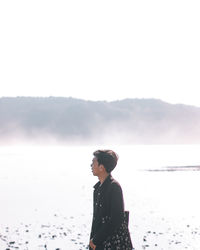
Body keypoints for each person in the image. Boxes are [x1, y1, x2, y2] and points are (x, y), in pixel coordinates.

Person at [89, 149, 133, 250]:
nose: (91, 165)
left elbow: (117, 218)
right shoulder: (97, 189)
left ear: (101, 167)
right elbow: (96, 220)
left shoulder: (114, 187)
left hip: (113, 244)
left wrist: (96, 239)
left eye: (93, 162)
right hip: (100, 242)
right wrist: (92, 241)